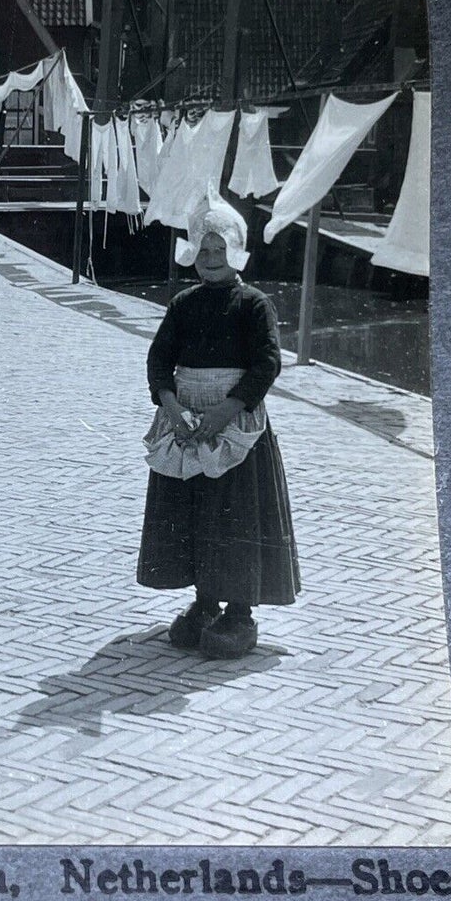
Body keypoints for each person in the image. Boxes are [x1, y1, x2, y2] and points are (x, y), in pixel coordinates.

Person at [136, 196, 300, 659]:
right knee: (195, 512)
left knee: (237, 514)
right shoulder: (183, 304)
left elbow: (267, 363)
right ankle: (204, 603)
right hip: (187, 423)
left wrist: (225, 411)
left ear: (236, 251)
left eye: (219, 251)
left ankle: (239, 612)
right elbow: (159, 361)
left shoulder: (254, 305)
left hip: (234, 427)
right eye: (203, 251)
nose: (210, 261)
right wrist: (171, 407)